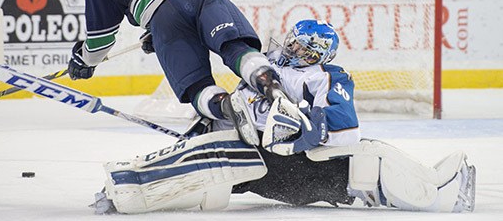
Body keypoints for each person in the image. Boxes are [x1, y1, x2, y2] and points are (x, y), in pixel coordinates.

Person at [91, 20, 476, 214]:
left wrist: (299, 131)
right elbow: (241, 110)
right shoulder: (267, 66)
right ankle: (132, 188)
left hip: (305, 169)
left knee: (371, 158)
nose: (292, 50)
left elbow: (345, 133)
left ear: (318, 56)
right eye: (292, 41)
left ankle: (441, 190)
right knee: (217, 160)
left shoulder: (328, 78)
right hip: (266, 163)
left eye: (303, 49)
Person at [68, 0, 295, 148]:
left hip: (164, 17)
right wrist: (153, 32)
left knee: (196, 85)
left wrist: (84, 61)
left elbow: (100, 42)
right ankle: (272, 85)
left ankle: (228, 108)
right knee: (235, 47)